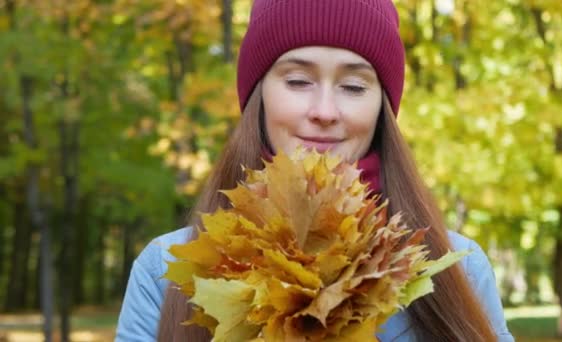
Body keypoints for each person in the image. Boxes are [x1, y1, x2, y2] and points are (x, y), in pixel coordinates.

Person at [116, 0, 514, 341]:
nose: (324, 111)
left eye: (354, 87)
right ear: (260, 95)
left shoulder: (458, 271)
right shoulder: (164, 272)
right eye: (299, 80)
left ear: (382, 108)